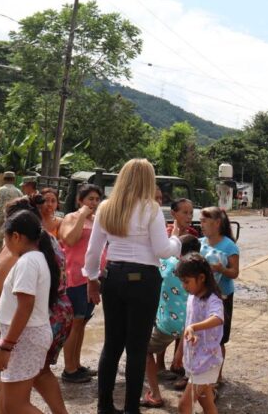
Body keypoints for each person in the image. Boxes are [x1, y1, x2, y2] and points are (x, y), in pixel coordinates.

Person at [84, 158, 182, 414]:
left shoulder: (107, 207)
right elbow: (162, 250)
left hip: (113, 276)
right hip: (143, 279)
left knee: (112, 344)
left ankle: (104, 406)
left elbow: (93, 251)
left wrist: (92, 279)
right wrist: (177, 241)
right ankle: (130, 408)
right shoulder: (151, 208)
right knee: (137, 348)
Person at [0, 197, 71, 414]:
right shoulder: (37, 256)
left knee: (15, 405)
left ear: (16, 236)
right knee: (12, 402)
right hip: (30, 335)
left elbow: (25, 306)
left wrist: (5, 347)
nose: (4, 244)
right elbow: (26, 300)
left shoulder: (27, 262)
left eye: (5, 237)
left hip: (24, 339)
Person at [141, 234, 201, 409]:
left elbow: (158, 253)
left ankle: (155, 394)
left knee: (144, 350)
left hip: (168, 324)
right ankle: (206, 390)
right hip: (193, 325)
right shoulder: (200, 272)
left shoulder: (168, 265)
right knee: (199, 360)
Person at [58, 183, 102, 384]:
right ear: (80, 200)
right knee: (75, 323)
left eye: (96, 199)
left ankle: (76, 364)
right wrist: (82, 215)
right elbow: (69, 240)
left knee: (82, 322)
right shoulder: (71, 218)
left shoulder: (97, 221)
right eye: (90, 199)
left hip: (91, 279)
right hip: (74, 278)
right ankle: (69, 368)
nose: (93, 203)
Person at [191, 206, 238, 386]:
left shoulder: (229, 246)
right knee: (200, 334)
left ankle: (216, 378)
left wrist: (221, 269)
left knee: (219, 338)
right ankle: (197, 374)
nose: (201, 224)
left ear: (217, 223)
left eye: (204, 221)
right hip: (201, 297)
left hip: (222, 297)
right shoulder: (199, 243)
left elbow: (234, 273)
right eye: (201, 220)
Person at [175, 253, 224, 414]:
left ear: (201, 278)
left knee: (184, 405)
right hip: (195, 360)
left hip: (206, 362)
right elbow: (187, 326)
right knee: (207, 404)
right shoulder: (192, 297)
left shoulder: (212, 300)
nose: (184, 286)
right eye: (182, 281)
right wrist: (179, 352)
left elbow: (217, 318)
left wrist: (195, 327)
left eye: (187, 281)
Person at [0, 171, 22, 259]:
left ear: (4, 179)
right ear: (13, 179)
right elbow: (22, 207)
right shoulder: (19, 192)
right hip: (13, 221)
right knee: (12, 245)